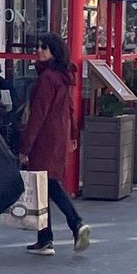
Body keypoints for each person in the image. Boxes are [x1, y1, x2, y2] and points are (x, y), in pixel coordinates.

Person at [19, 33, 91, 254]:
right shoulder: (63, 76)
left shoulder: (47, 78)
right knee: (46, 184)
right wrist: (72, 135)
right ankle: (46, 237)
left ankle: (74, 224)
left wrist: (25, 147)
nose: (39, 50)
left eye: (45, 47)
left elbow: (38, 114)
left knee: (47, 184)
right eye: (38, 46)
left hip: (44, 139)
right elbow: (69, 108)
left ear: (54, 51)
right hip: (58, 136)